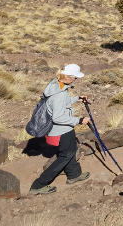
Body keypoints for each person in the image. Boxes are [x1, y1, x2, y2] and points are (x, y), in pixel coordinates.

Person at [29, 64, 91, 195]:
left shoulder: (56, 86)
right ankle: (39, 184)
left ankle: (74, 174)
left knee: (71, 150)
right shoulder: (60, 95)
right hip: (61, 130)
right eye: (74, 77)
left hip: (61, 129)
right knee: (65, 155)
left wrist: (77, 98)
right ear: (67, 77)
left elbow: (61, 102)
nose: (75, 80)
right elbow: (58, 117)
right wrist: (79, 120)